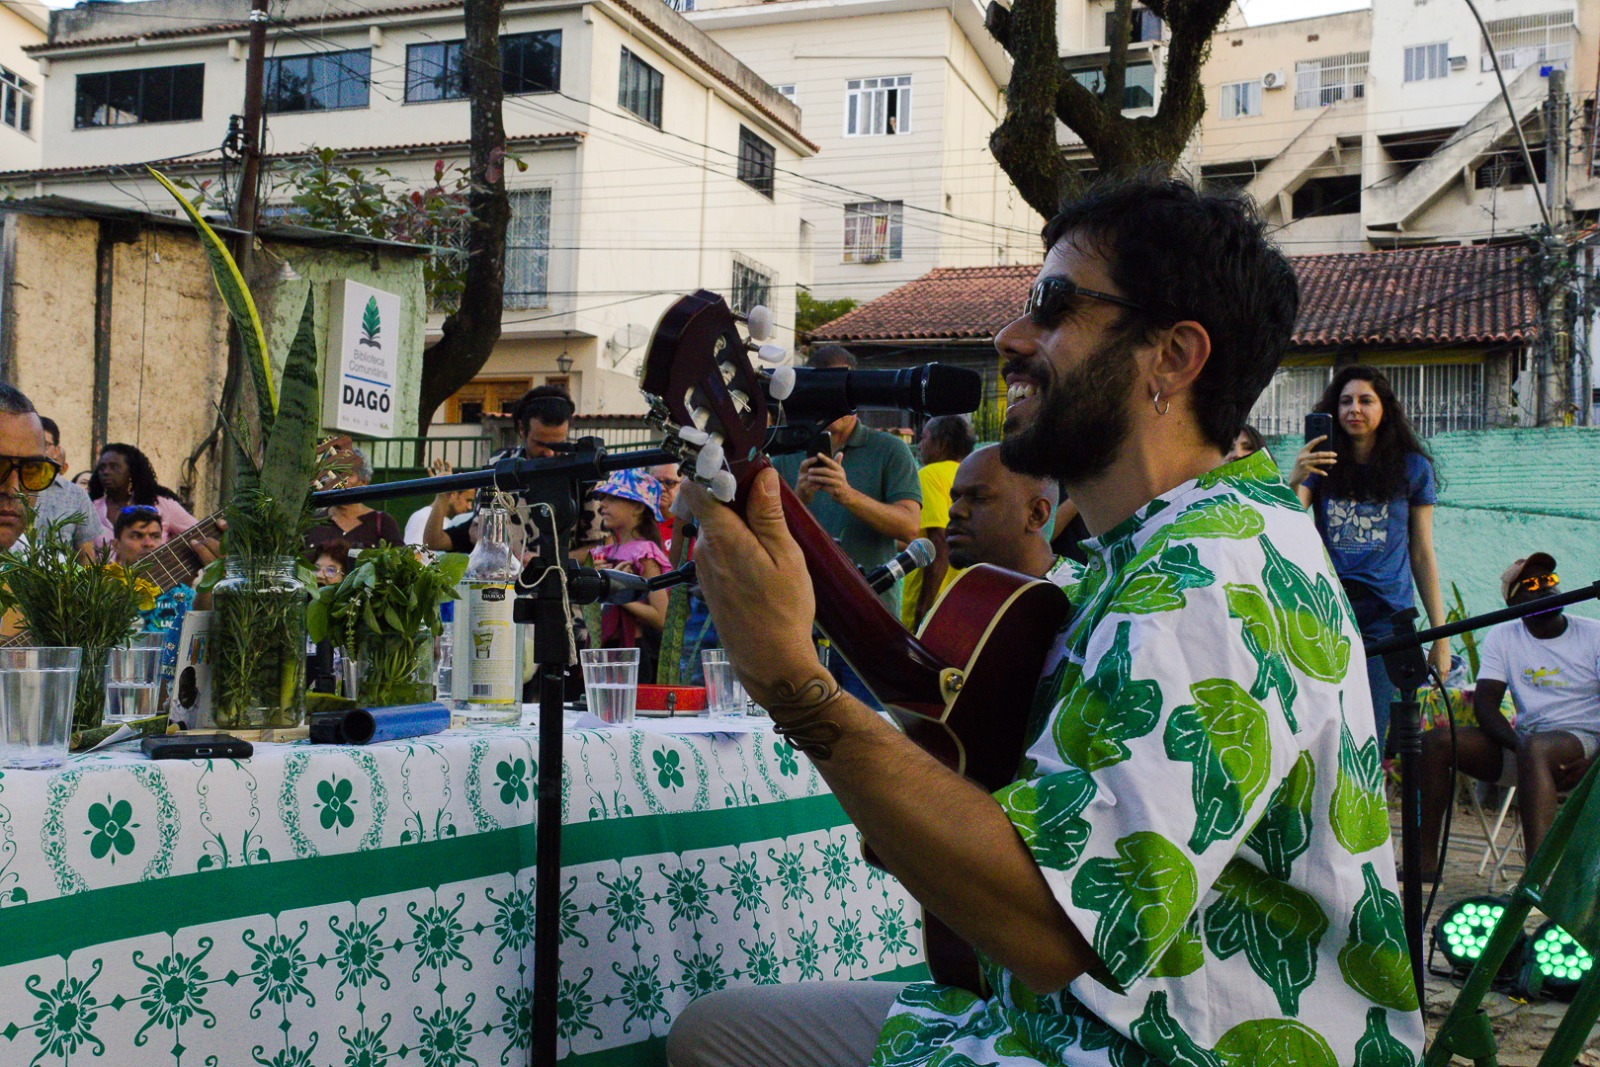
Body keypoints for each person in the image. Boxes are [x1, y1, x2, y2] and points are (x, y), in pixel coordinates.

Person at [670, 177, 1422, 1067]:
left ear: (1173, 357)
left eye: (1056, 306)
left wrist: (796, 684)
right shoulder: (1137, 554)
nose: (1011, 336)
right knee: (714, 1029)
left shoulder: (1212, 576)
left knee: (715, 1043)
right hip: (1058, 1017)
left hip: (1170, 1045)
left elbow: (1053, 929)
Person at [1290, 365, 1449, 750]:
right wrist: (1296, 476)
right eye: (1345, 401)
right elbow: (1288, 522)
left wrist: (1440, 636)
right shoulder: (1322, 463)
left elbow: (1422, 552)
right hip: (1328, 611)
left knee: (1369, 734)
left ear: (1384, 408)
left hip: (1386, 618)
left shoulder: (1412, 468)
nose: (1354, 409)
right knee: (1320, 730)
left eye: (1365, 400)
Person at [1420, 554, 1600, 875]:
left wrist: (1595, 765)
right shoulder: (1503, 636)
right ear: (1513, 604)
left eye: (1550, 580)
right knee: (1436, 742)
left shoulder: (1593, 634)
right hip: (1530, 747)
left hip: (1584, 746)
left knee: (1537, 748)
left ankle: (1535, 879)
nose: (1545, 588)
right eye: (1532, 583)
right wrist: (1520, 747)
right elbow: (1486, 706)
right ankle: (1425, 865)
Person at [770, 346, 920, 705]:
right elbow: (764, 536)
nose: (831, 404)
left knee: (872, 727)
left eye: (841, 393)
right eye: (822, 393)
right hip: (799, 624)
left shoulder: (890, 450)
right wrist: (800, 497)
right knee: (802, 729)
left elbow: (909, 527)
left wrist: (847, 495)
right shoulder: (784, 451)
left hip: (868, 624)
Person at [589, 470, 671, 679]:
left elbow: (661, 617)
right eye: (603, 498)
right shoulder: (604, 552)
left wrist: (616, 594)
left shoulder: (644, 554)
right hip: (602, 652)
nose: (602, 505)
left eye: (613, 498)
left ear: (638, 507)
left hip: (631, 655)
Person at [944, 444, 1060, 580]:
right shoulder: (965, 588)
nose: (954, 510)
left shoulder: (1078, 593)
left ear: (1036, 514)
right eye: (955, 499)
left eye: (979, 498)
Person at [903, 414, 975, 628]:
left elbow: (939, 542)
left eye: (924, 438)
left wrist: (923, 608)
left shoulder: (929, 475)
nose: (920, 445)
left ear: (942, 444)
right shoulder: (972, 475)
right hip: (962, 605)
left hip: (933, 608)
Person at [88, 442, 198, 545]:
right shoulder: (91, 510)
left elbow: (199, 534)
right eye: (102, 468)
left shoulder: (162, 505)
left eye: (114, 467)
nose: (106, 472)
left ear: (131, 471)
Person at [113, 504, 196, 637]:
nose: (148, 543)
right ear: (116, 545)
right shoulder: (101, 591)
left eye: (155, 536)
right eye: (137, 536)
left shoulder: (182, 594)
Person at [32, 416, 106, 556]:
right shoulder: (8, 487)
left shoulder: (76, 496)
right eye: (33, 443)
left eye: (45, 444)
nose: (38, 450)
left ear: (56, 451)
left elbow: (86, 554)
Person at [305, 446, 403, 550]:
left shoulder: (382, 523)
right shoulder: (313, 523)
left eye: (346, 474)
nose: (337, 479)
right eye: (332, 473)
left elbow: (399, 558)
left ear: (363, 482)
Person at [407, 458, 474, 548]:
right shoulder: (423, 517)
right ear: (453, 494)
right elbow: (415, 554)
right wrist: (443, 489)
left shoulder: (451, 524)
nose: (470, 507)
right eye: (468, 500)